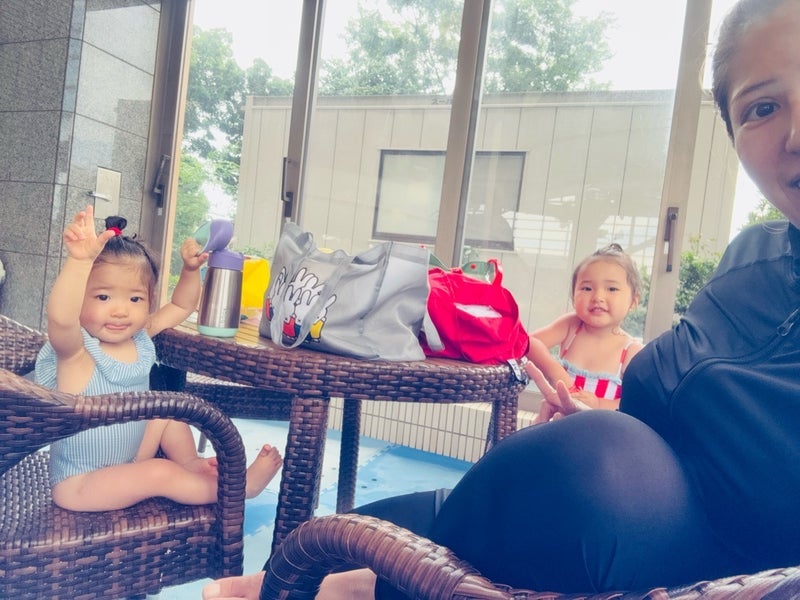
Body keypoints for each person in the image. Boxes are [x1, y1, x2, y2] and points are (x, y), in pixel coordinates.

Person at [203, 0, 800, 597]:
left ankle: (340, 585)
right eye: (763, 108)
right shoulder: (754, 258)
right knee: (346, 538)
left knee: (565, 480)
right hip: (587, 512)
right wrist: (601, 428)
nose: (796, 135)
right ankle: (296, 581)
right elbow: (692, 424)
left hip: (672, 557)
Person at [37, 205, 283, 512]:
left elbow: (181, 305)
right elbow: (61, 319)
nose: (120, 310)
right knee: (159, 472)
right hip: (82, 483)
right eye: (103, 297)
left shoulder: (139, 336)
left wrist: (190, 271)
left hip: (130, 458)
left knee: (167, 413)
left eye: (135, 298)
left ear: (149, 301)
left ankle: (190, 464)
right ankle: (240, 489)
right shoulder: (76, 352)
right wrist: (79, 261)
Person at [525, 243, 643, 422]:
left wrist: (598, 404)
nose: (598, 297)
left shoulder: (631, 351)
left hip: (597, 433)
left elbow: (635, 404)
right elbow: (527, 342)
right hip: (554, 424)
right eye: (587, 288)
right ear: (574, 297)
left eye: (612, 289)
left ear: (633, 301)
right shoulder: (571, 326)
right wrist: (555, 372)